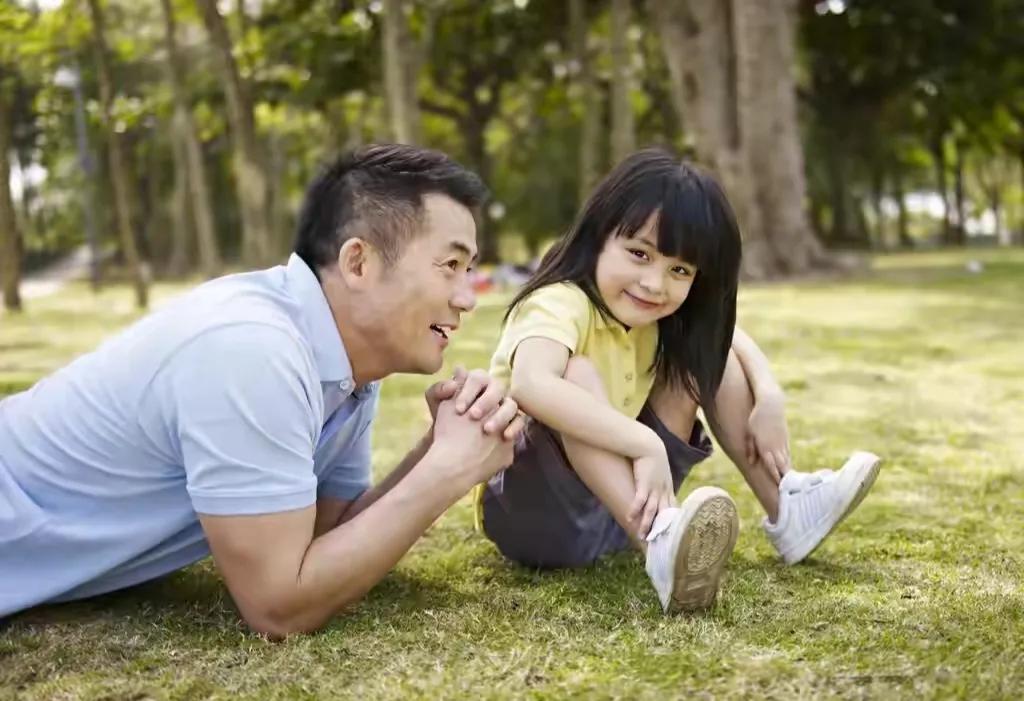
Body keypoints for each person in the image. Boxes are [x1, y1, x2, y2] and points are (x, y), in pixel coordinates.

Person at [0, 144, 525, 636]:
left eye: (471, 270)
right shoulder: (252, 348)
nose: (467, 298)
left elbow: (326, 537)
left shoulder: (348, 370)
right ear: (358, 262)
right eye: (450, 265)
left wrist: (436, 448)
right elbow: (278, 605)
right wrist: (449, 469)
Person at [479, 148, 880, 613]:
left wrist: (769, 396)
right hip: (532, 520)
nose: (654, 283)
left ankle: (787, 506)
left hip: (617, 514)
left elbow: (729, 338)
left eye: (679, 270)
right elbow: (532, 384)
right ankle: (661, 547)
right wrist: (643, 443)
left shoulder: (656, 312)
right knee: (576, 372)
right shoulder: (558, 302)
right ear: (597, 237)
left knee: (707, 355)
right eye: (638, 254)